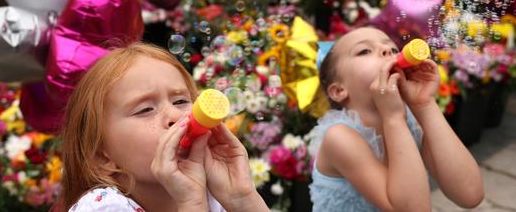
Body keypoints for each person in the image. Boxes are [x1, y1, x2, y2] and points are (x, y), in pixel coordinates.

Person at [59, 43, 270, 211]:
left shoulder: (218, 199)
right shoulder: (103, 207)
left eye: (180, 101)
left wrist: (242, 199)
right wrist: (191, 205)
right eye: (145, 109)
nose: (175, 116)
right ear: (102, 156)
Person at [309, 27, 484, 211]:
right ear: (338, 91)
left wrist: (424, 105)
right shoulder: (339, 137)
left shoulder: (409, 121)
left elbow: (470, 194)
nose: (387, 52)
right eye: (364, 51)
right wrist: (392, 118)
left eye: (392, 49)